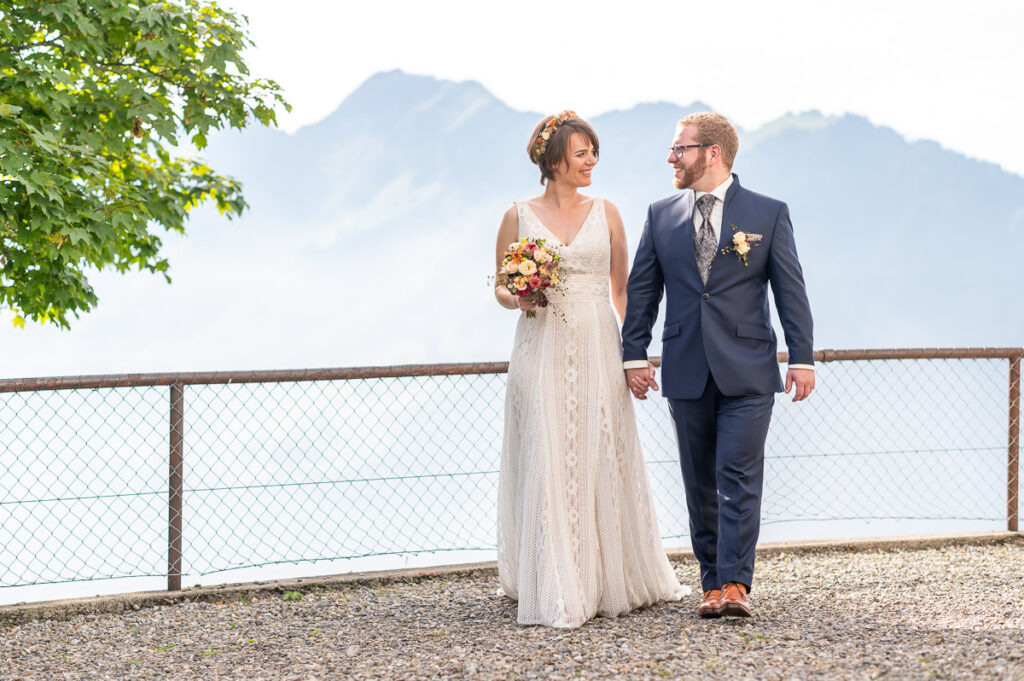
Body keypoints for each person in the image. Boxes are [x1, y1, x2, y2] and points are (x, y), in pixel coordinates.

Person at [494, 111, 688, 628]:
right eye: (582, 153)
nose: (592, 162)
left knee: (600, 451)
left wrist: (634, 354)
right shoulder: (517, 215)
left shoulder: (608, 212)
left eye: (593, 152)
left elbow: (622, 290)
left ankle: (605, 577)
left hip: (599, 342)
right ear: (553, 159)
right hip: (540, 345)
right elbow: (498, 286)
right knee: (548, 450)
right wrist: (519, 295)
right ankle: (555, 580)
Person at [621, 112, 815, 618]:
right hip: (686, 367)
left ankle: (735, 585)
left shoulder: (768, 213)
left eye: (679, 149)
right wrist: (633, 355)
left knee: (739, 476)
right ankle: (709, 583)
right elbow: (643, 290)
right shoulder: (660, 214)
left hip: (749, 369)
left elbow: (790, 290)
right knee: (699, 482)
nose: (671, 158)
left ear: (712, 153)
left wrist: (803, 358)